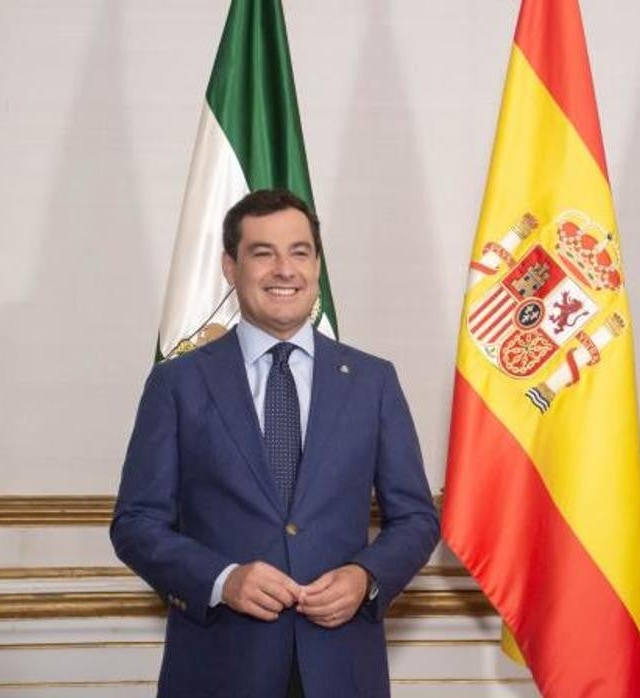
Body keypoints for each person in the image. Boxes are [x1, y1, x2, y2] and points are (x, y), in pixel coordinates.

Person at [111, 189, 440, 697]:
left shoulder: (373, 381)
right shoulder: (177, 383)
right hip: (219, 668)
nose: (284, 270)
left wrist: (365, 576)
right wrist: (222, 579)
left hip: (342, 668)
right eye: (263, 253)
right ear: (230, 266)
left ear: (316, 264)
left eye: (299, 252)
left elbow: (416, 518)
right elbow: (135, 525)